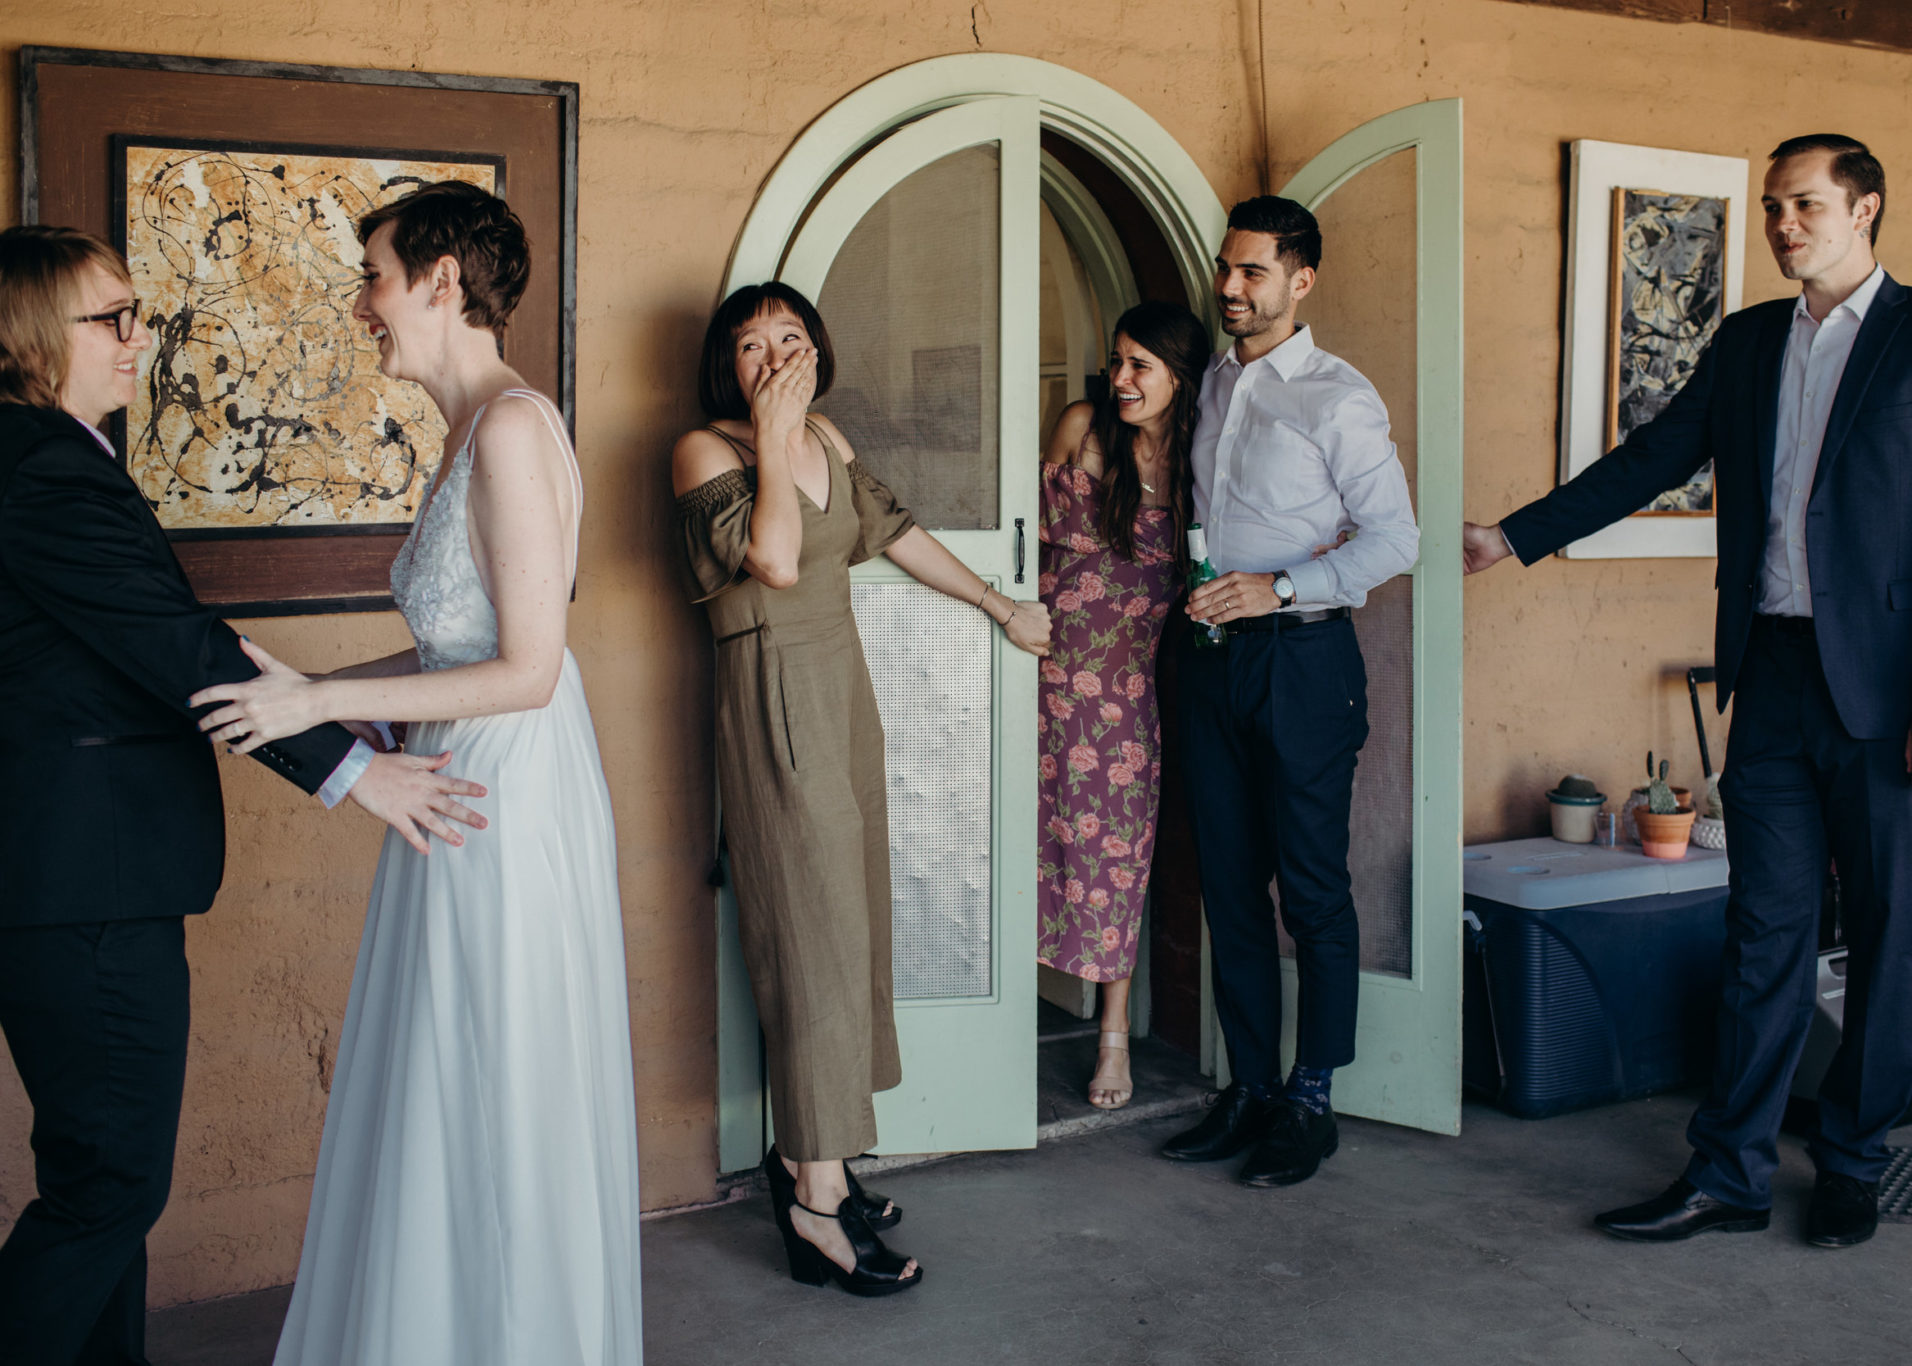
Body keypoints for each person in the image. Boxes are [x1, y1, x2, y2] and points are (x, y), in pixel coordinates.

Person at [1465, 135, 1912, 1249]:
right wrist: (1510, 536)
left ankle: (1852, 1163)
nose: (1780, 225)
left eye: (1802, 204)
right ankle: (1727, 1172)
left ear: (1864, 208)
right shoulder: (1751, 339)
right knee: (1761, 930)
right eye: (1770, 207)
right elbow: (1651, 456)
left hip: (1896, 698)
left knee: (1887, 931)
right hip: (1767, 677)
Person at [0, 224, 486, 1366]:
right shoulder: (39, 467)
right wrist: (356, 771)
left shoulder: (50, 455)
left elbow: (152, 642)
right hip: (83, 880)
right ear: (30, 334)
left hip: (81, 873)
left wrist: (325, 698)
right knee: (110, 1184)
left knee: (101, 1176)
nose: (138, 338)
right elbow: (170, 645)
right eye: (111, 319)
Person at [189, 183, 643, 1360]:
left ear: (444, 280)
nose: (359, 306)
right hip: (461, 774)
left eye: (374, 277)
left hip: (504, 786)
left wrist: (325, 702)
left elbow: (529, 669)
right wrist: (314, 688)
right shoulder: (473, 427)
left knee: (490, 1073)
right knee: (443, 1073)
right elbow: (456, 647)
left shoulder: (507, 426)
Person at [672, 282, 1050, 1296]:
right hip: (770, 689)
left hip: (840, 686)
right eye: (750, 346)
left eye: (788, 338)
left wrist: (998, 603)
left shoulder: (827, 437)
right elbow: (778, 563)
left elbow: (894, 532)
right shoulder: (708, 450)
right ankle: (814, 1201)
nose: (772, 356)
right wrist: (767, 429)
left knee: (853, 927)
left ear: (817, 347)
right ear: (729, 366)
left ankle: (812, 1155)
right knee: (812, 934)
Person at [1158, 197, 1419, 1188]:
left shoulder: (1336, 397)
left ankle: (1311, 1098)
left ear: (1300, 281)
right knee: (1226, 884)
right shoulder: (1214, 384)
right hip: (1213, 660)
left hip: (1303, 663)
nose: (1229, 288)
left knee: (1310, 889)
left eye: (1252, 272)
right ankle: (1250, 1087)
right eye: (1225, 269)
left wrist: (1281, 585)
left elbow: (1396, 538)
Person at [1037, 300, 1208, 1110]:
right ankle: (987, 1021)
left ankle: (1112, 1040)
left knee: (1114, 865)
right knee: (1014, 846)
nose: (1123, 378)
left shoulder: (1198, 463)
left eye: (1141, 365)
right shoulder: (1080, 425)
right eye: (1118, 361)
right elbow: (1024, 536)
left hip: (1122, 697)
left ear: (1181, 376)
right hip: (1033, 669)